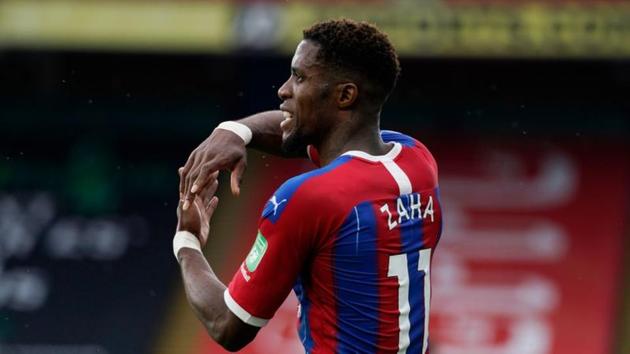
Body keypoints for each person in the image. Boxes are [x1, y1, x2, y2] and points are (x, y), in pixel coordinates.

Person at [173, 19, 443, 353]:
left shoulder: (306, 199)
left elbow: (228, 326)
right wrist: (234, 131)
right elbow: (307, 139)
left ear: (345, 95)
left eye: (299, 77)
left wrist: (187, 241)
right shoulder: (418, 161)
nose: (284, 90)